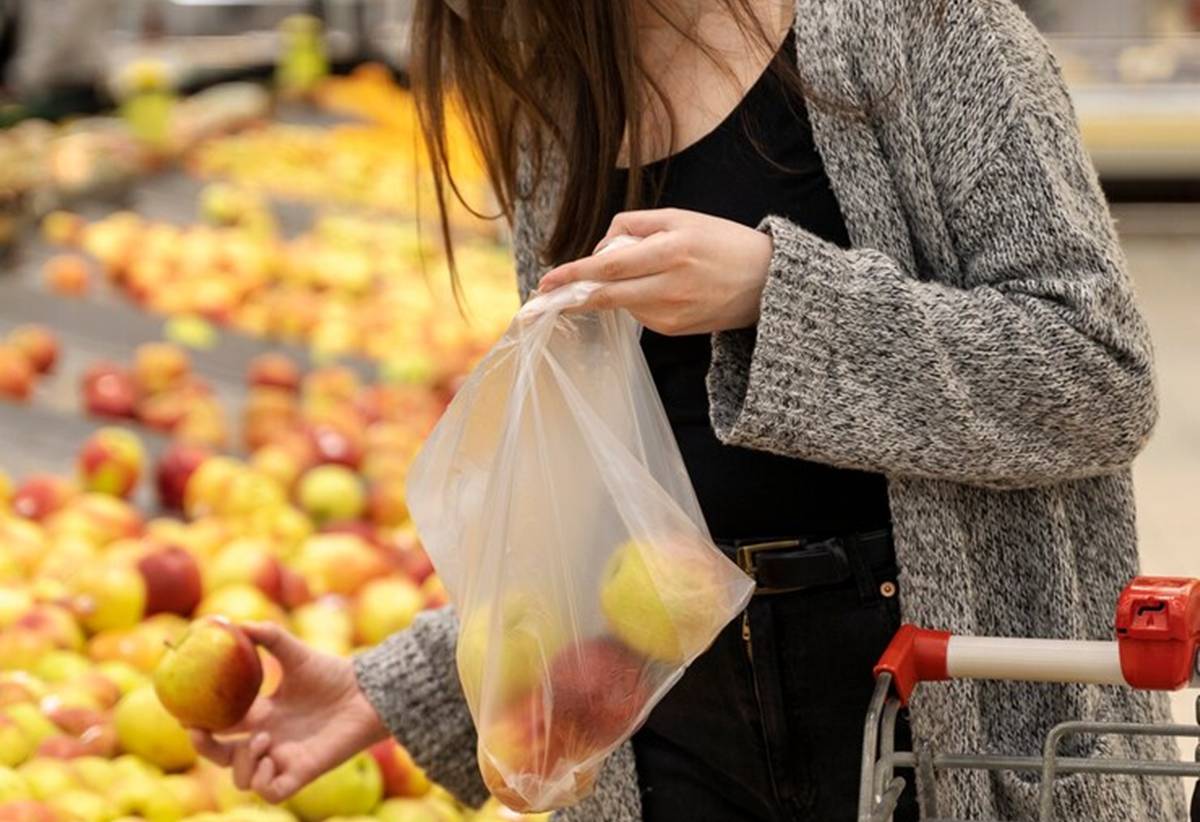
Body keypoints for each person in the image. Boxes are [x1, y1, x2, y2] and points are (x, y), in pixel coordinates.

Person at [191, 1, 1188, 820]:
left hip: (938, 717)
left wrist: (776, 294)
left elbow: (1098, 373)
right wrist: (395, 685)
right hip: (672, 741)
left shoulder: (917, 29)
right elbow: (614, 503)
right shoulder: (558, 105)